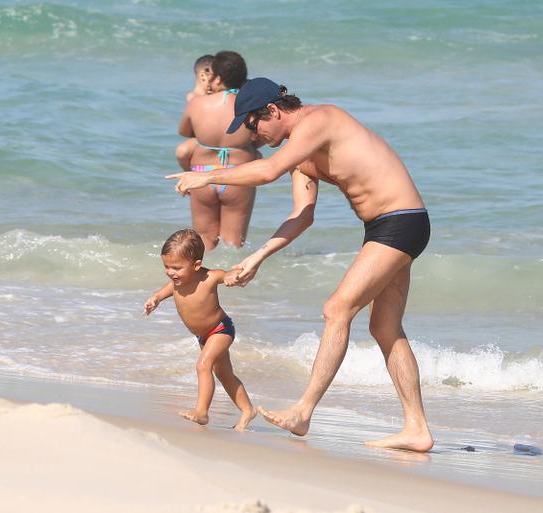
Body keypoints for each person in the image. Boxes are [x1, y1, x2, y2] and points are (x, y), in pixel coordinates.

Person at [167, 78, 434, 452]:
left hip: (401, 221)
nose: (252, 135)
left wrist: (206, 175)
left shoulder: (321, 120)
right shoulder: (300, 155)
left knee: (336, 309)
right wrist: (257, 256)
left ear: (273, 111)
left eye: (253, 124)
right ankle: (417, 429)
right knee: (385, 327)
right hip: (385, 226)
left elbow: (265, 172)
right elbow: (301, 216)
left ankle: (303, 411)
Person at [143, 228, 257, 431]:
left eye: (176, 268)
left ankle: (202, 412)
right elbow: (170, 288)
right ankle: (248, 410)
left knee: (203, 366)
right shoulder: (178, 280)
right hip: (203, 335)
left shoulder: (209, 277)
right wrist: (156, 298)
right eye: (166, 266)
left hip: (220, 329)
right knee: (224, 374)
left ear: (196, 265)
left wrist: (233, 277)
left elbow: (227, 275)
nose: (170, 272)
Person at [176, 51, 260, 250]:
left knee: (204, 242)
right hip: (238, 175)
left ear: (218, 78)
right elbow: (262, 135)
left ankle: (204, 280)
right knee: (233, 245)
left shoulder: (197, 104)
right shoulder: (251, 105)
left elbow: (185, 132)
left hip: (202, 174)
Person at [175, 55, 215, 172]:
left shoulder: (209, 95)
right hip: (198, 139)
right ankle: (187, 172)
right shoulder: (193, 97)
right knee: (182, 151)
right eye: (216, 76)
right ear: (203, 76)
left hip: (214, 138)